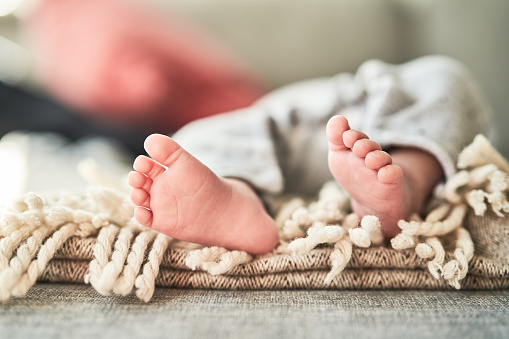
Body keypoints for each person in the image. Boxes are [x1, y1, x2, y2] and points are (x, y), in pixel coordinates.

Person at [127, 56, 492, 255]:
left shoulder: (385, 87)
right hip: (273, 141)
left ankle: (408, 178)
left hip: (379, 125)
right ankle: (235, 197)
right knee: (188, 139)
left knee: (443, 75)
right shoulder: (246, 113)